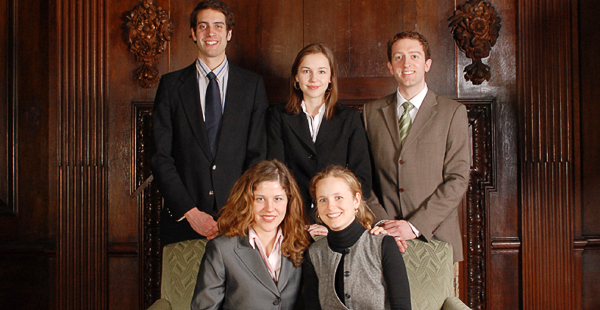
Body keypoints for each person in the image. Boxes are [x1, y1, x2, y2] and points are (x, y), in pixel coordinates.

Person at [152, 0, 268, 246]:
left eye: (218, 25)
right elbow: (160, 157)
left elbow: (258, 156)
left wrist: (237, 211)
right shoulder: (171, 86)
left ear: (229, 33)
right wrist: (190, 213)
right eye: (203, 26)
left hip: (239, 222)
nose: (210, 32)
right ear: (193, 34)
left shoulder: (252, 86)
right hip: (183, 223)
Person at [363, 31, 470, 262]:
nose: (406, 63)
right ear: (390, 66)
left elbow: (458, 178)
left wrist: (414, 226)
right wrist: (383, 223)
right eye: (399, 57)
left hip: (436, 240)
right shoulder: (370, 113)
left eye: (414, 56)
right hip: (385, 240)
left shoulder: (452, 113)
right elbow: (363, 177)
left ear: (427, 64)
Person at [267, 43, 379, 237]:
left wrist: (330, 218)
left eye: (321, 71)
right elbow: (276, 174)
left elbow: (361, 179)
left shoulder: (349, 118)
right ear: (296, 76)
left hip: (337, 221)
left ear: (330, 78)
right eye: (306, 71)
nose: (313, 79)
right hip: (292, 221)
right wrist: (298, 220)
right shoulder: (278, 116)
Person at [191, 160, 311, 310]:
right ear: (246, 200)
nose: (269, 208)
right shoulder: (221, 249)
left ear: (289, 201)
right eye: (260, 199)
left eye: (277, 199)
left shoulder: (302, 243)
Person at [302, 166, 411, 310]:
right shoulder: (314, 253)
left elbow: (402, 307)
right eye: (323, 200)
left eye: (338, 197)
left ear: (356, 200)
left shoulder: (383, 244)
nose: (331, 206)